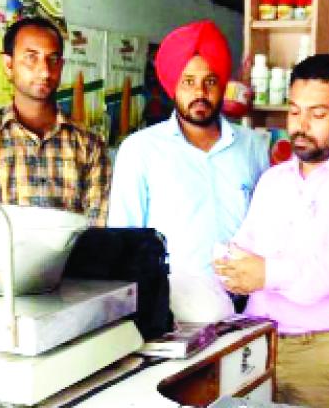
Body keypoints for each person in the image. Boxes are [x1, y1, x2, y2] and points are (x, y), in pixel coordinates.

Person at [214, 54, 329, 408]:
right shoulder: (273, 180)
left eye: (318, 114)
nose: (301, 125)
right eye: (295, 111)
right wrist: (229, 267)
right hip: (255, 343)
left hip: (325, 354)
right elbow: (246, 243)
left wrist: (268, 273)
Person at [107, 20, 270, 313]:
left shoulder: (253, 147)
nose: (200, 93)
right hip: (173, 308)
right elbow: (124, 241)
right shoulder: (140, 150)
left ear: (222, 85)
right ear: (172, 87)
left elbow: (269, 228)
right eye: (188, 82)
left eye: (210, 81)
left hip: (247, 307)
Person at [0, 17, 111, 225]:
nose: (45, 71)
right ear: (9, 64)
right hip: (6, 257)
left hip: (76, 258)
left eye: (53, 59)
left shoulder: (90, 144)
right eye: (31, 58)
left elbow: (96, 229)